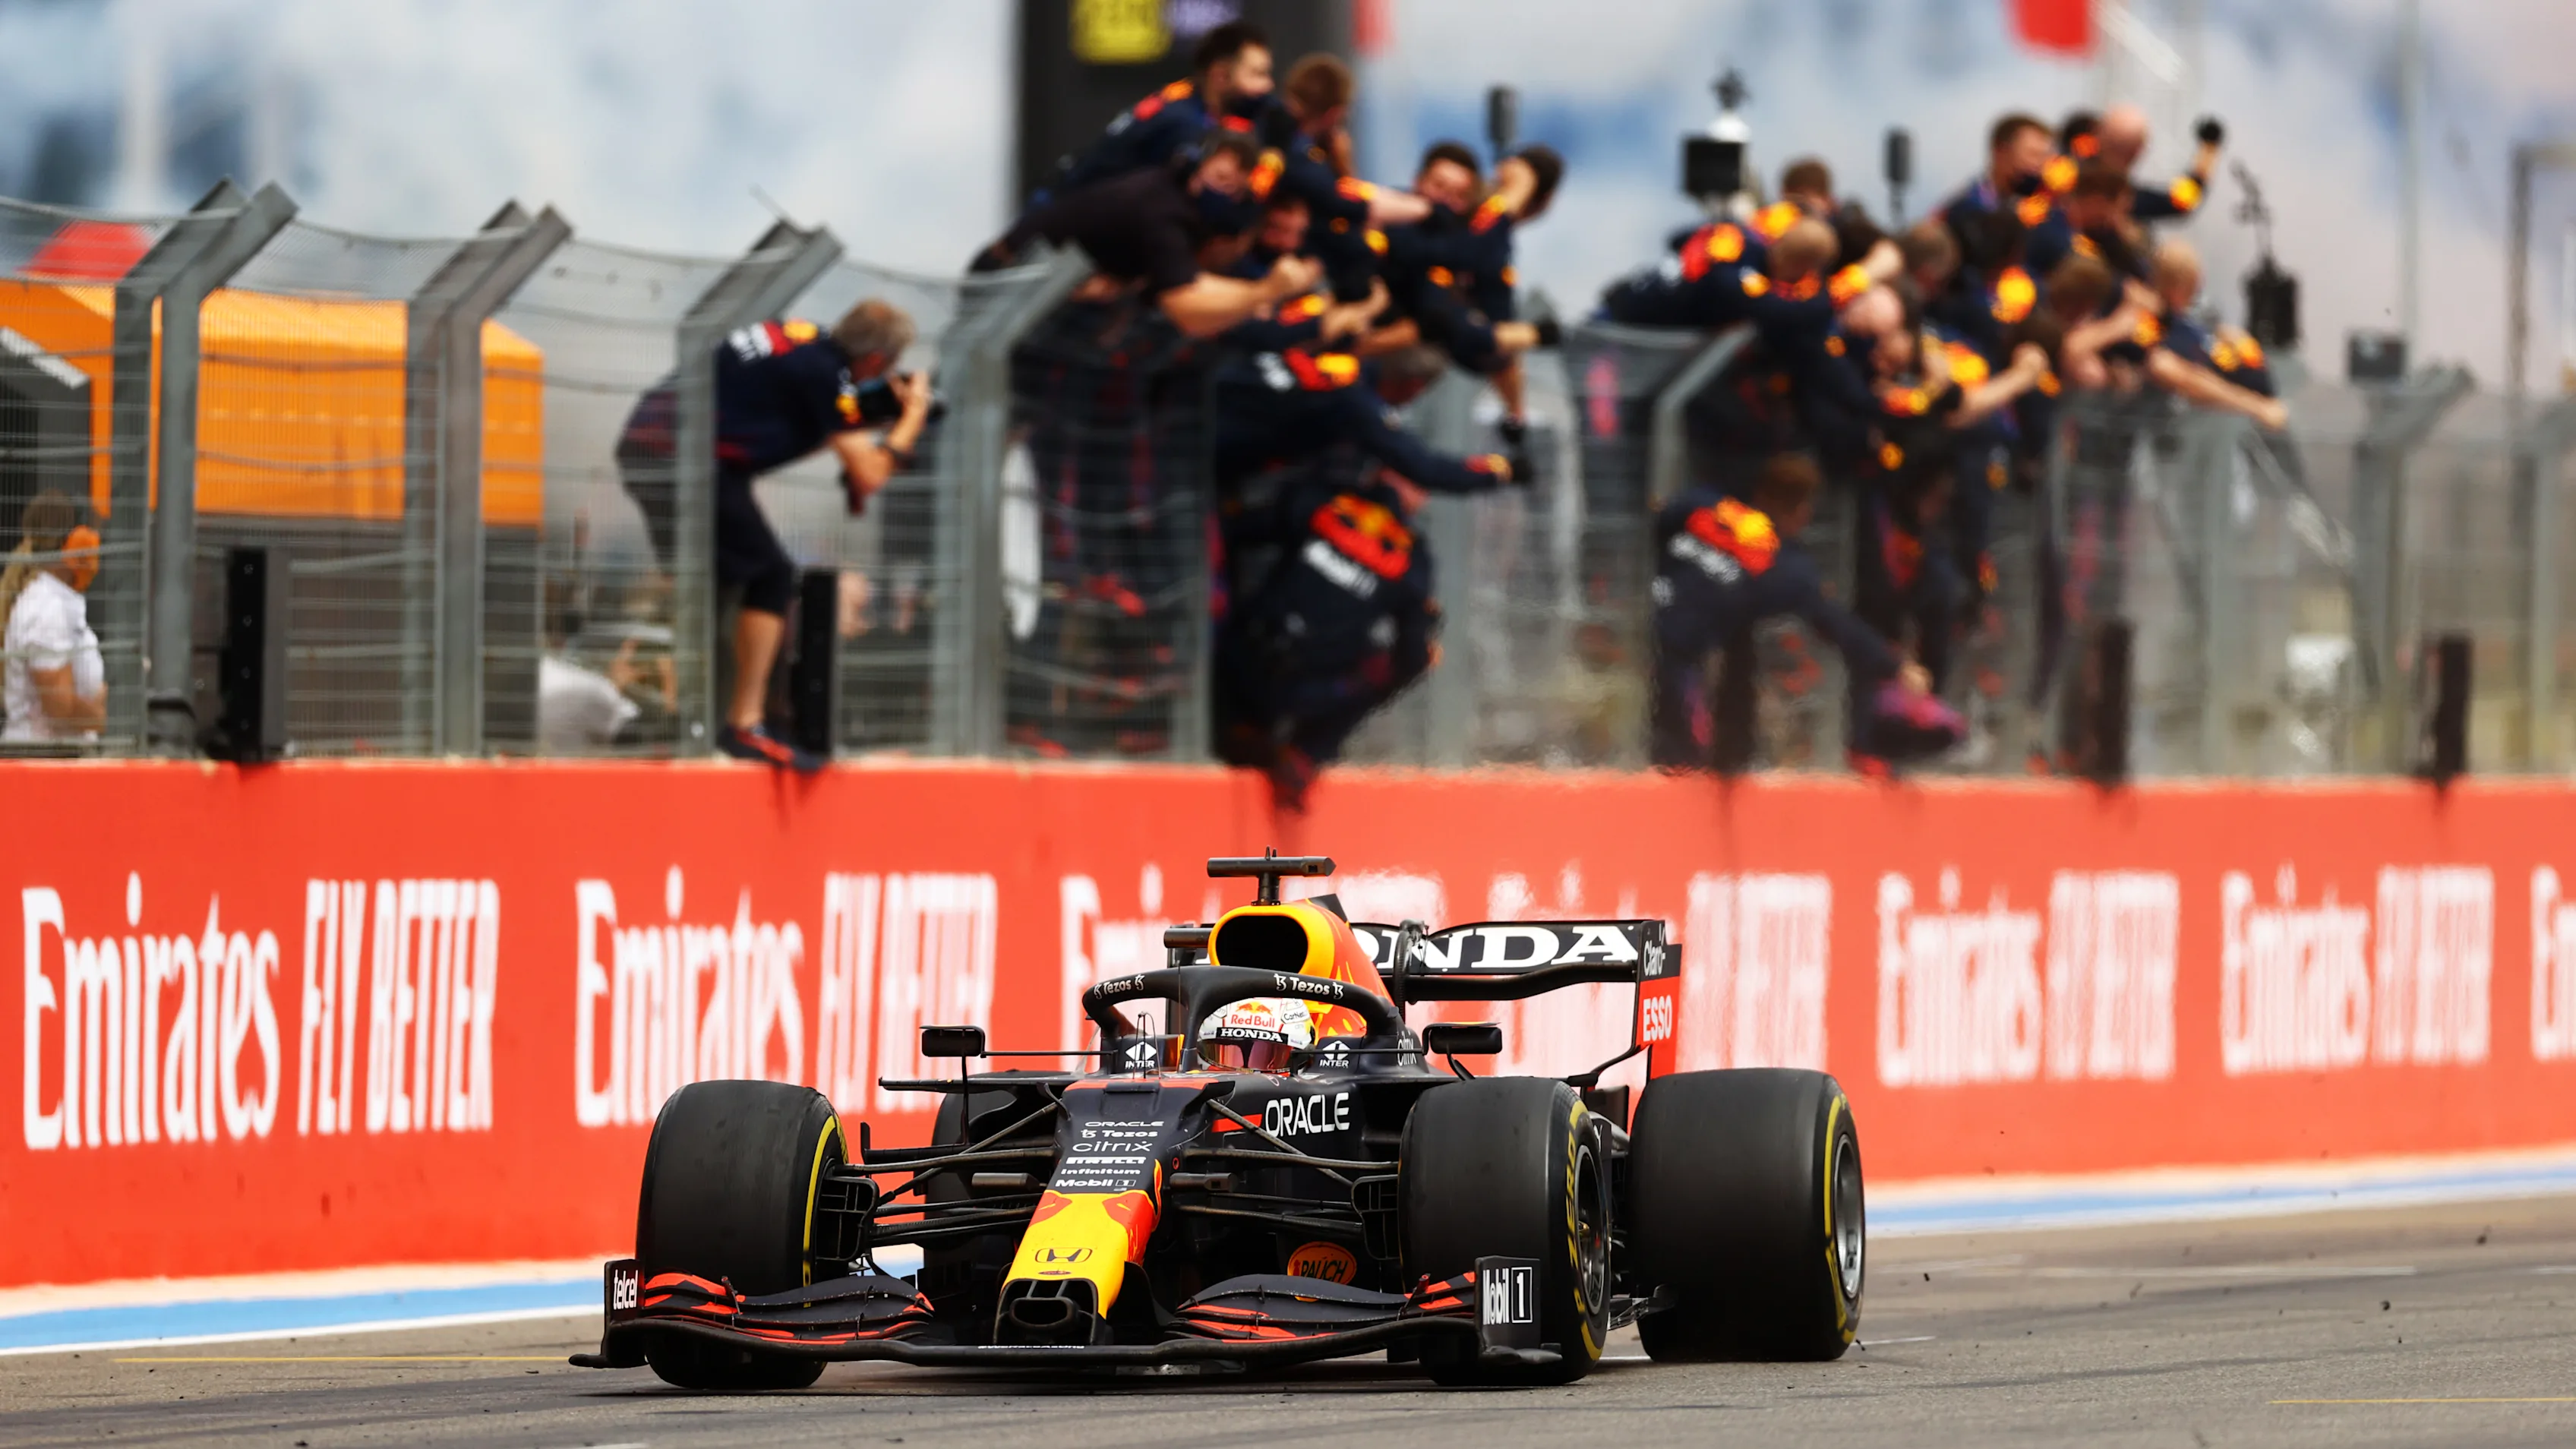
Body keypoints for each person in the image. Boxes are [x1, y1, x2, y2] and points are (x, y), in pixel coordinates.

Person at [687, 299, 932, 769]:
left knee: (736, 579)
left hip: (686, 451)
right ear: (879, 360)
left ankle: (715, 721)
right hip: (692, 461)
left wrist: (867, 413)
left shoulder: (805, 341)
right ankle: (743, 722)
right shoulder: (826, 373)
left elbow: (793, 419)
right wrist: (912, 419)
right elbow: (869, 474)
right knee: (771, 575)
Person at [1648, 454, 1949, 770]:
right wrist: (1896, 666)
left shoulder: (1703, 505)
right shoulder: (1787, 567)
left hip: (1642, 628)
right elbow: (1836, 625)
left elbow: (1658, 519)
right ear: (1801, 510)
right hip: (1679, 657)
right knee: (1684, 760)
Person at [977, 131, 1321, 339]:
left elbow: (1193, 284)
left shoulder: (1176, 207)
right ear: (1196, 166)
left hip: (1037, 306)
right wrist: (1267, 291)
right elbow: (1187, 306)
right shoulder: (1162, 208)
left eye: (1236, 189)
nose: (1225, 194)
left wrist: (1259, 295)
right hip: (1001, 291)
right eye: (1220, 179)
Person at [1040, 21, 1276, 199]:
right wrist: (1277, 154)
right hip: (1067, 232)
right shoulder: (1183, 125)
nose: (1267, 86)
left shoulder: (1190, 100)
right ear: (1221, 75)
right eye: (1257, 74)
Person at [1, 491, 105, 745]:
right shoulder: (47, 608)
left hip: (58, 758)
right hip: (41, 760)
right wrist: (99, 715)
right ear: (73, 543)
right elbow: (59, 708)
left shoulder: (55, 600)